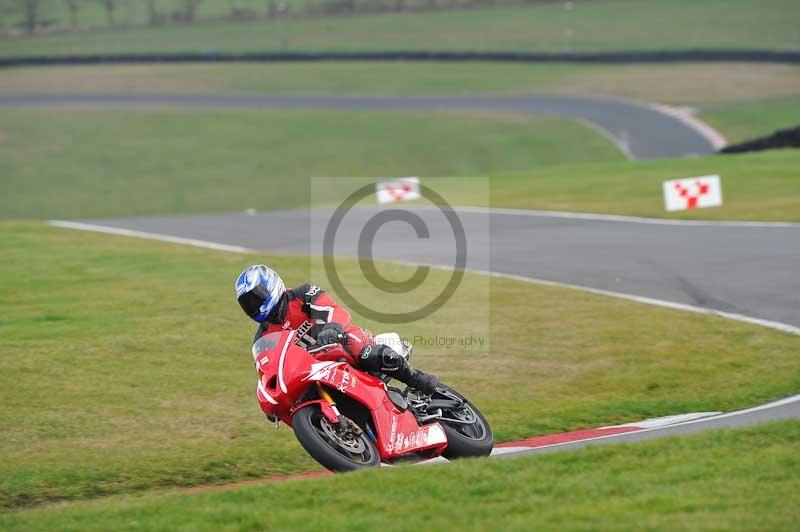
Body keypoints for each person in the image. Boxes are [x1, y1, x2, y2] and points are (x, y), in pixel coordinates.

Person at [235, 264, 438, 394]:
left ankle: (416, 378)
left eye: (257, 297)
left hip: (341, 341)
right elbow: (269, 370)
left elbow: (334, 309)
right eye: (248, 303)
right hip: (312, 367)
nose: (254, 306)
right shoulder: (263, 337)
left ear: (271, 284)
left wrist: (332, 329)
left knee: (366, 354)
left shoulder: (302, 294)